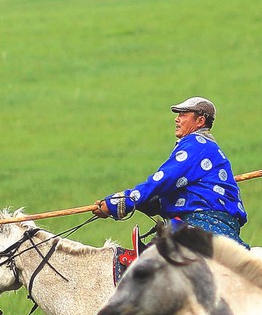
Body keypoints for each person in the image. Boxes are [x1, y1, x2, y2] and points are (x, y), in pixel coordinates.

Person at [91, 96, 248, 245]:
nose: (177, 119)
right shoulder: (204, 147)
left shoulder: (197, 145)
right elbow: (172, 193)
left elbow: (163, 180)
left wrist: (119, 202)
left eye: (183, 114)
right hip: (212, 225)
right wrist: (150, 203)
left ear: (200, 121)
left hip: (203, 224)